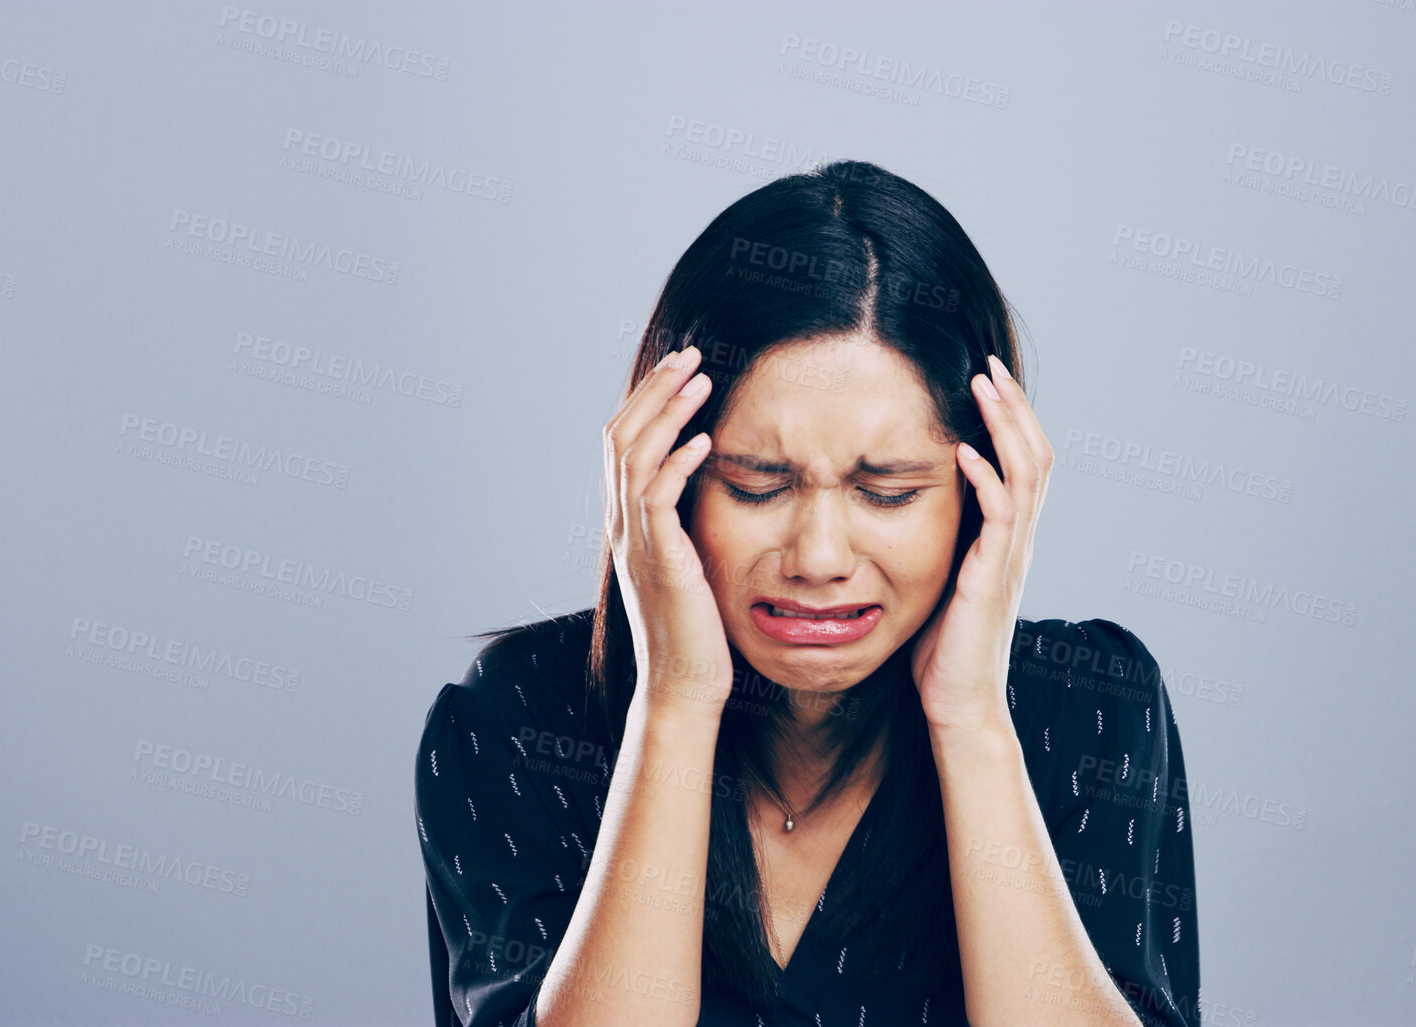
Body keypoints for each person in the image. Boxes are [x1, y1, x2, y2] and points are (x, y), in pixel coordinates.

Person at [417, 159, 1199, 1026]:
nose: (819, 556)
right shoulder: (522, 719)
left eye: (888, 490)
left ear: (984, 494)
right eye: (757, 484)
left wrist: (971, 719)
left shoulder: (1088, 706)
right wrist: (677, 702)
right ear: (668, 482)